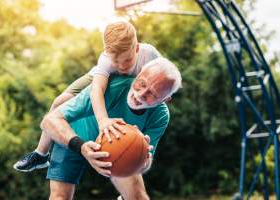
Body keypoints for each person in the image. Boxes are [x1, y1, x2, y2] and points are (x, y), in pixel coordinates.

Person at [14, 21, 163, 172]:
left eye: (127, 61)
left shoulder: (150, 55)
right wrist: (103, 120)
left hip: (130, 91)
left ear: (137, 48)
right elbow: (97, 88)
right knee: (59, 101)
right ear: (106, 52)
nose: (121, 66)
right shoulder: (106, 60)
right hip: (101, 78)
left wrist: (166, 93)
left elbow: (163, 77)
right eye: (115, 61)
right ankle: (41, 154)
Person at [41, 57, 182, 199]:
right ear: (138, 75)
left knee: (138, 198)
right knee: (60, 197)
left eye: (152, 93)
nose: (141, 94)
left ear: (164, 100)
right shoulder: (111, 87)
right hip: (74, 136)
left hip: (116, 149)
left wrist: (143, 160)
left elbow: (145, 163)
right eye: (142, 83)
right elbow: (49, 120)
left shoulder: (160, 115)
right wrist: (81, 146)